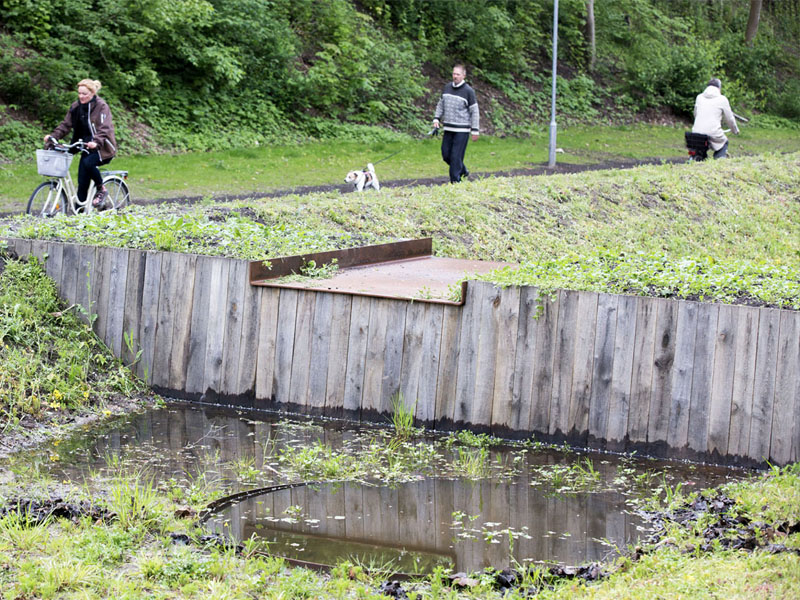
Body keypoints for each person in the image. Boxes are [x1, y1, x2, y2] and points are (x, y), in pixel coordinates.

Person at [45, 78, 117, 209]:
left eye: (84, 94)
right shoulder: (76, 107)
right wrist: (53, 136)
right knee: (82, 181)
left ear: (92, 93)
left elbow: (105, 128)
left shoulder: (101, 106)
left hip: (102, 146)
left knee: (88, 163)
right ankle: (80, 212)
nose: (81, 96)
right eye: (79, 93)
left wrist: (96, 142)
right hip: (84, 145)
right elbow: (66, 125)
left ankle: (101, 189)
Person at [432, 63, 479, 183]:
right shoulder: (447, 87)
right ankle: (462, 170)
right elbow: (440, 104)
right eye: (453, 74)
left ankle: (455, 181)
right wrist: (436, 118)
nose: (455, 76)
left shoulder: (468, 91)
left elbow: (475, 111)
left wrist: (475, 130)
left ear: (464, 76)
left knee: (455, 156)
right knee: (446, 155)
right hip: (448, 128)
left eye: (458, 74)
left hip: (462, 130)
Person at [691, 77, 739, 159]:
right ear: (719, 88)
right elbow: (730, 118)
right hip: (713, 132)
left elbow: (695, 114)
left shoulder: (699, 97)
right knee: (724, 143)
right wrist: (735, 130)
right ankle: (719, 159)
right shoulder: (722, 99)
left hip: (696, 133)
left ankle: (697, 159)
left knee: (699, 150)